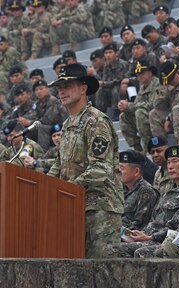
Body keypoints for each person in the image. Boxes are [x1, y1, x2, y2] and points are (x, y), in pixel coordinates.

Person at [47, 63, 123, 258]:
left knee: (102, 270)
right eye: (60, 88)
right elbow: (59, 165)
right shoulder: (67, 124)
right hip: (74, 205)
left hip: (99, 209)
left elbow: (101, 168)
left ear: (83, 88)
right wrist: (45, 188)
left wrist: (69, 189)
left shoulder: (96, 121)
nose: (62, 92)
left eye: (67, 86)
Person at [118, 145, 179, 258]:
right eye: (168, 163)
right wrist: (139, 235)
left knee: (137, 252)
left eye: (175, 162)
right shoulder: (168, 192)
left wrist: (150, 237)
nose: (170, 167)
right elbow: (153, 221)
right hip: (150, 237)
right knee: (117, 248)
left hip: (167, 241)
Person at [119, 149, 160, 231]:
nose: (118, 171)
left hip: (135, 238)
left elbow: (139, 225)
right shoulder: (120, 189)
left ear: (136, 171)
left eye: (122, 168)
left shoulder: (146, 191)